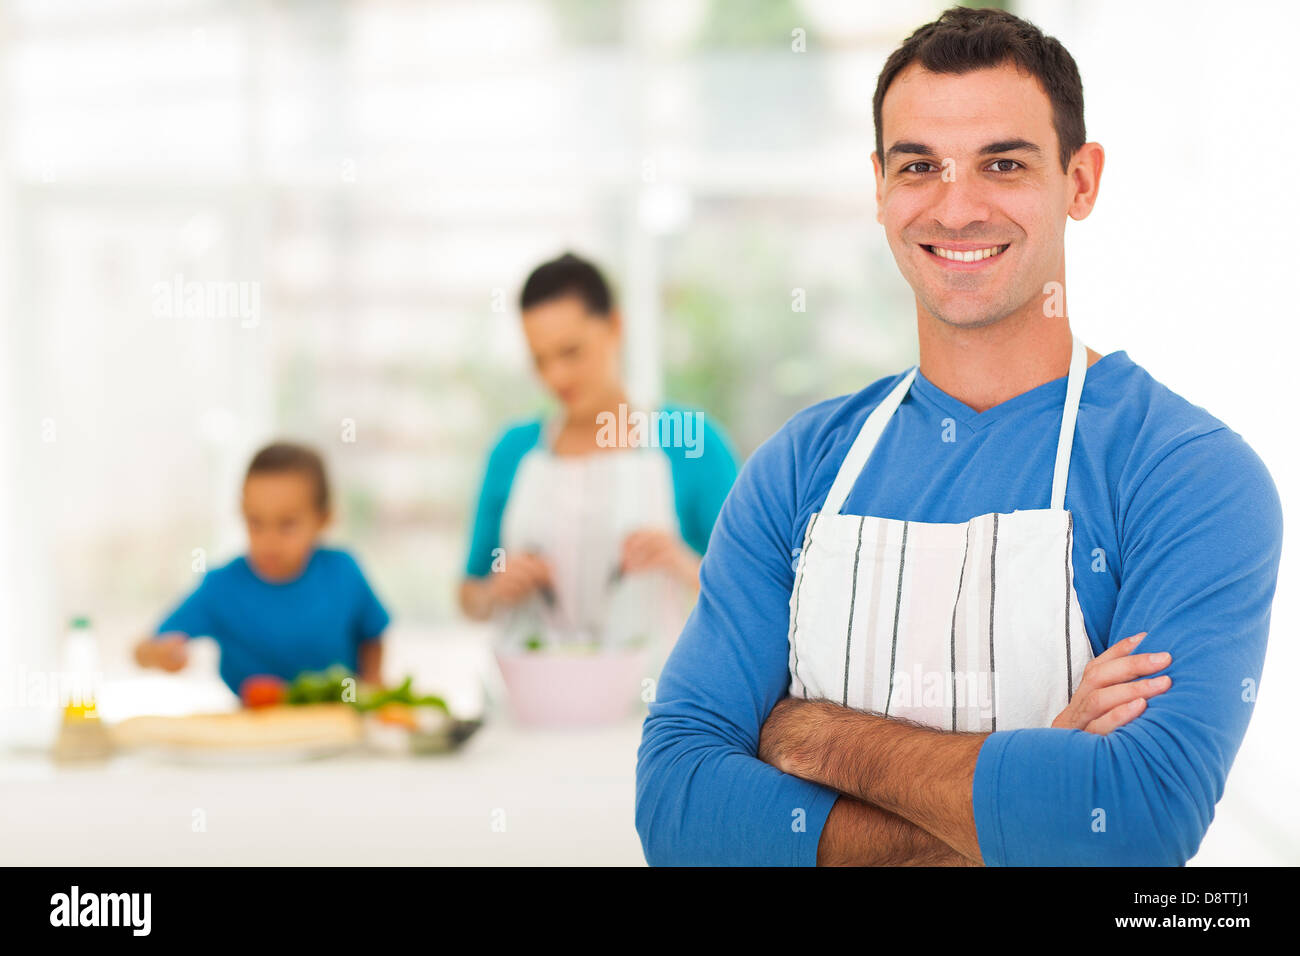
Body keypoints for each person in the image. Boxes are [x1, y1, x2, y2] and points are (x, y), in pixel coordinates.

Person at [636, 6, 1283, 866]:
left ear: (1080, 182)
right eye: (919, 166)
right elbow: (677, 806)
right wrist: (1018, 807)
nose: (958, 206)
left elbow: (1127, 826)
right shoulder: (798, 468)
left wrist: (813, 734)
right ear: (879, 187)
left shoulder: (1187, 476)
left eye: (1003, 164)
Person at [459, 252, 739, 654]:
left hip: (656, 702)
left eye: (571, 352)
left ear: (614, 327)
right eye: (539, 360)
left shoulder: (691, 441)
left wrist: (681, 563)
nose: (556, 376)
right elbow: (468, 595)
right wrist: (495, 591)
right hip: (529, 702)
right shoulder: (512, 451)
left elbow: (750, 590)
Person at [135, 441, 390, 696]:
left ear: (323, 519)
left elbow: (373, 635)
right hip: (252, 727)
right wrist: (160, 654)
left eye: (287, 524)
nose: (269, 541)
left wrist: (373, 681)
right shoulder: (222, 587)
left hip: (341, 722)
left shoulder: (343, 571)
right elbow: (142, 650)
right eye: (255, 522)